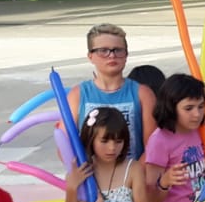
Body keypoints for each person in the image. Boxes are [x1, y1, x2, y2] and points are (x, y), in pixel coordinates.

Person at [67, 24, 156, 159]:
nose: (112, 56)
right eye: (103, 50)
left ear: (126, 54)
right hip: (91, 177)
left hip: (133, 176)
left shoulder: (143, 94)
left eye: (118, 50)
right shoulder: (77, 95)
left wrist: (133, 175)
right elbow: (65, 144)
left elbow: (152, 146)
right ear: (90, 56)